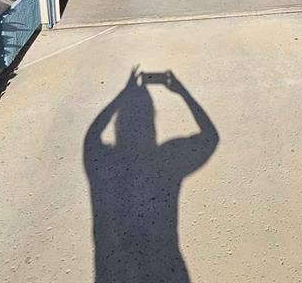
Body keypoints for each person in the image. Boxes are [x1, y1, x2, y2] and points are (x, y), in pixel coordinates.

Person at [83, 67, 219, 283]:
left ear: (118, 127)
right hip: (167, 269)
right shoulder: (167, 158)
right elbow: (211, 138)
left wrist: (122, 96)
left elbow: (90, 138)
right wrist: (182, 92)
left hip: (112, 273)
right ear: (153, 123)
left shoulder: (106, 160)